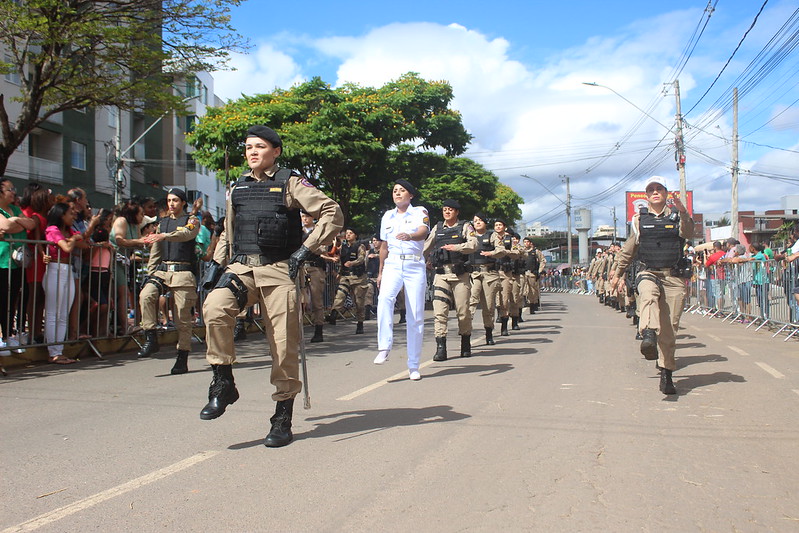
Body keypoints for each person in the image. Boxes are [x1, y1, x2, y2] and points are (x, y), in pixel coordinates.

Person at [200, 125, 343, 448]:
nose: (252, 152)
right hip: (242, 267)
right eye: (248, 147)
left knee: (282, 343)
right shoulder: (237, 185)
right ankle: (223, 382)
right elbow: (228, 230)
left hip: (279, 270)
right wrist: (215, 266)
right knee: (214, 307)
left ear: (275, 151)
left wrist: (306, 250)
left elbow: (331, 211)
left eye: (260, 146)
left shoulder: (290, 182)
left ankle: (282, 415)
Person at [611, 176, 694, 395]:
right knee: (647, 296)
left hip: (673, 276)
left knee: (669, 328)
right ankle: (648, 334)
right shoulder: (639, 220)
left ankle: (666, 373)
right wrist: (617, 273)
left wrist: (684, 213)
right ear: (646, 196)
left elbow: (688, 234)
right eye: (651, 189)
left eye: (659, 189)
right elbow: (629, 248)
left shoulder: (678, 217)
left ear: (666, 193)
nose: (655, 192)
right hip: (648, 271)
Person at [136, 188, 200, 375]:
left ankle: (182, 356)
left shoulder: (191, 221)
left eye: (175, 200)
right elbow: (156, 251)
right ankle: (150, 337)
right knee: (146, 295)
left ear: (183, 203)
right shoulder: (162, 223)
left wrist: (164, 236)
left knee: (182, 319)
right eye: (169, 200)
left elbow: (187, 234)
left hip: (183, 273)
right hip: (163, 271)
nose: (171, 204)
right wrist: (151, 273)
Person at [373, 179, 429, 381]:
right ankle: (384, 346)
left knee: (415, 314)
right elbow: (384, 246)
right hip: (393, 264)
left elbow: (423, 232)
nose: (397, 193)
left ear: (410, 195)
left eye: (402, 190)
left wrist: (410, 236)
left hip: (414, 265)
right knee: (384, 300)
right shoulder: (387, 216)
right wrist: (380, 271)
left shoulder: (420, 212)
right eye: (395, 190)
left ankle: (413, 365)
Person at [423, 199, 478, 360]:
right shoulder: (437, 228)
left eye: (450, 210)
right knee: (440, 312)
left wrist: (456, 247)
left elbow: (473, 244)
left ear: (457, 212)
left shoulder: (465, 227)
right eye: (445, 209)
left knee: (463, 312)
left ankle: (465, 342)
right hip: (440, 275)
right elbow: (426, 246)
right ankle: (441, 347)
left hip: (460, 275)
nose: (447, 212)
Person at [43, 203, 89, 364]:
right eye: (70, 213)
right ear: (62, 215)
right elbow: (67, 247)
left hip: (67, 269)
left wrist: (75, 238)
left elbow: (84, 245)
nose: (73, 216)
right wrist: (74, 239)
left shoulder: (69, 231)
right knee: (52, 313)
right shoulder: (53, 230)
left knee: (63, 313)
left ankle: (59, 351)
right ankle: (52, 351)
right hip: (55, 269)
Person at [0, 178, 36, 353]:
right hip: (2, 260)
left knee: (12, 298)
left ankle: (9, 335)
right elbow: (6, 225)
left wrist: (15, 220)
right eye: (9, 189)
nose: (14, 192)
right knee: (2, 299)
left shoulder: (14, 209)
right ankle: (2, 337)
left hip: (15, 262)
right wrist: (15, 222)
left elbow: (30, 223)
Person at [110, 200, 147, 335]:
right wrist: (140, 241)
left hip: (126, 263)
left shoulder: (135, 225)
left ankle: (127, 326)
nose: (143, 217)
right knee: (122, 293)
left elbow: (138, 242)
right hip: (115, 261)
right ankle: (125, 326)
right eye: (141, 214)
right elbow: (120, 240)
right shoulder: (121, 221)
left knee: (124, 293)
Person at [468, 212, 505, 345]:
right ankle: (466, 333)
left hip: (489, 274)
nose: (477, 222)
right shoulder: (469, 237)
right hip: (473, 274)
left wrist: (492, 253)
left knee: (488, 306)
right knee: (471, 301)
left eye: (480, 220)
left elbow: (501, 250)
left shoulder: (492, 235)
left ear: (485, 222)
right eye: (475, 220)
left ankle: (489, 332)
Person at [329, 228, 368, 334]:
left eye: (351, 233)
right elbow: (341, 260)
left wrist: (352, 263)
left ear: (356, 235)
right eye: (347, 233)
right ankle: (333, 313)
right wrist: (338, 270)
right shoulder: (343, 247)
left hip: (358, 277)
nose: (348, 235)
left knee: (359, 302)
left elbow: (361, 259)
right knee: (340, 295)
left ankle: (360, 323)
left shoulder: (360, 246)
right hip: (345, 276)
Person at [300, 211, 328, 342]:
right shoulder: (298, 231)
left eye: (307, 217)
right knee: (298, 300)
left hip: (315, 267)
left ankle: (319, 330)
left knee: (316, 301)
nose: (305, 219)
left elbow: (323, 249)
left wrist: (308, 247)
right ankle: (297, 331)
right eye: (303, 217)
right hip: (300, 267)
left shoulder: (318, 231)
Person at [493, 219, 521, 336]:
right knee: (493, 300)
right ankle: (490, 326)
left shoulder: (510, 239)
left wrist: (506, 251)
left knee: (505, 299)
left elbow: (517, 253)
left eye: (500, 224)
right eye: (496, 225)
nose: (498, 227)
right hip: (493, 271)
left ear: (504, 227)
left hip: (506, 272)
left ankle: (504, 326)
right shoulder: (490, 237)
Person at [522, 237, 546, 314]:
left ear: (530, 243)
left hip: (532, 273)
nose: (526, 243)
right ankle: (524, 303)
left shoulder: (536, 252)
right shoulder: (521, 251)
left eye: (527, 242)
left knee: (533, 291)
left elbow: (542, 261)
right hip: (523, 273)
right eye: (524, 242)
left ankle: (533, 305)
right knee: (524, 290)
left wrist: (539, 271)